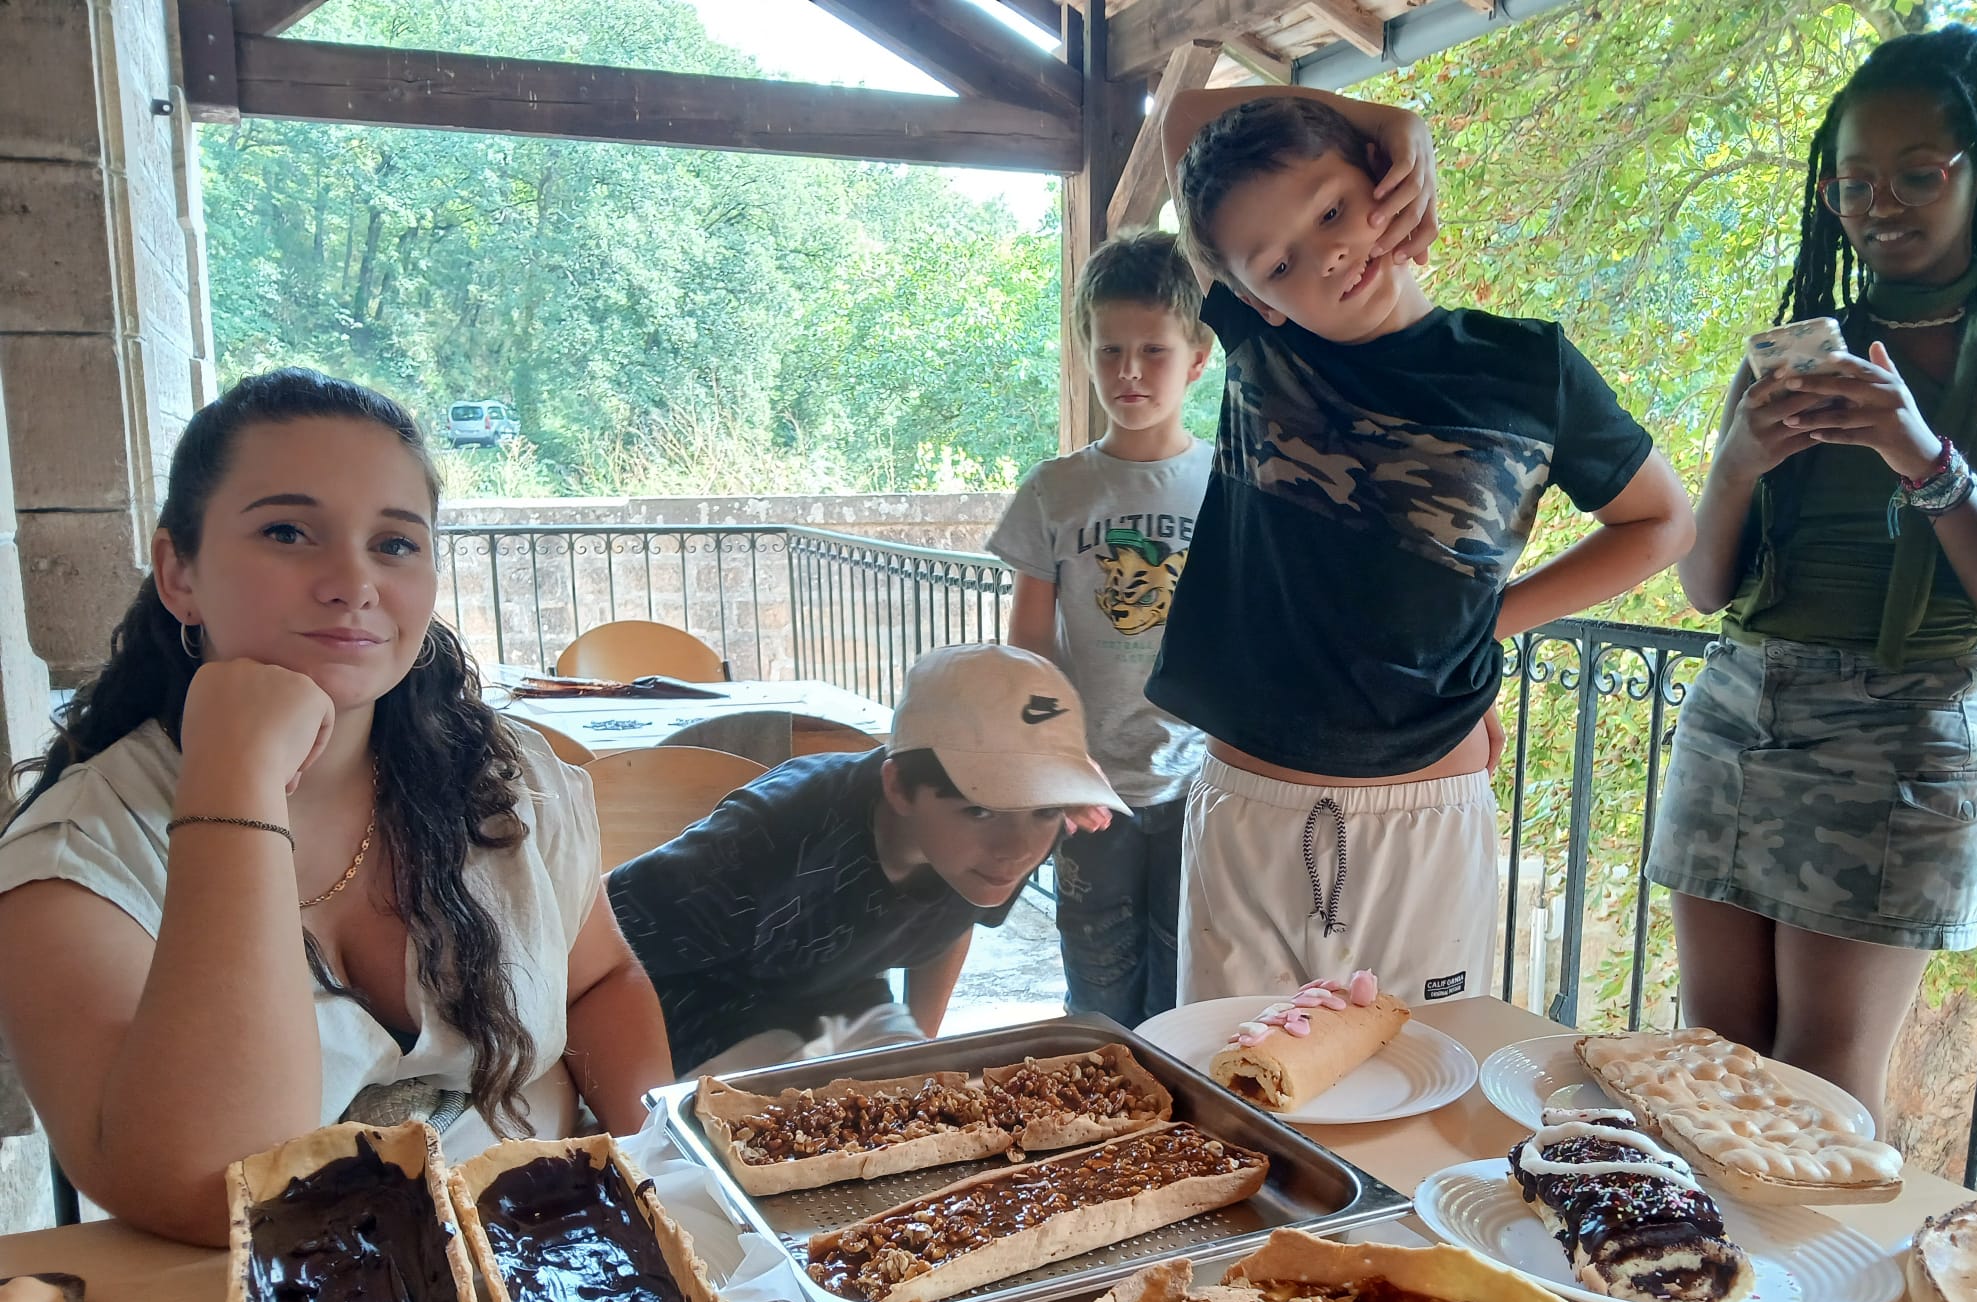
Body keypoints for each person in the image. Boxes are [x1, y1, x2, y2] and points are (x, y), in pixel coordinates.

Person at [0, 369, 673, 1246]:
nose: (353, 581)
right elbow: (224, 1187)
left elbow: (599, 984)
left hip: (560, 1272)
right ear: (179, 572)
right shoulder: (73, 861)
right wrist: (234, 780)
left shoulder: (505, 777)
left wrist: (656, 1179)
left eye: (395, 544)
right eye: (288, 532)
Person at [1148, 85, 1694, 1009]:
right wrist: (1380, 123)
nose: (1325, 254)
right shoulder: (1261, 347)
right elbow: (1182, 118)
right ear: (1249, 298)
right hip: (1249, 806)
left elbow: (1662, 523)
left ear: (1381, 183)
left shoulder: (1530, 369)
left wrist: (1493, 627)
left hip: (1427, 813)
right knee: (1233, 1104)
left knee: (1420, 1100)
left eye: (1330, 208)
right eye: (1279, 263)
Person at [1648, 26, 1977, 1129]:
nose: (1881, 205)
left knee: (1812, 1088)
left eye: (1919, 175)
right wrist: (1736, 463)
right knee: (1711, 1060)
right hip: (1738, 707)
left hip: (1907, 728)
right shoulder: (1798, 346)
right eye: (1855, 181)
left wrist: (1922, 453)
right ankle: (1695, 1296)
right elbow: (1703, 591)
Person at [607, 643, 1126, 1075]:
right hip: (692, 1023)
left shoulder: (1002, 843)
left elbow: (954, 921)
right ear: (899, 785)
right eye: (981, 809)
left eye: (1047, 809)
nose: (1018, 850)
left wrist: (924, 1050)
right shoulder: (768, 836)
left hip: (843, 1004)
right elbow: (597, 951)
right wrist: (639, 1136)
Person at [989, 230, 1213, 1027]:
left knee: (1190, 985)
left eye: (1153, 350)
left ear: (1197, 356)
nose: (1128, 372)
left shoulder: (1230, 485)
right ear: (1085, 351)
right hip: (1091, 787)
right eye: (1109, 349)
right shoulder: (1056, 491)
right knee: (1096, 982)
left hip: (1206, 785)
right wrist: (1057, 757)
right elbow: (1027, 652)